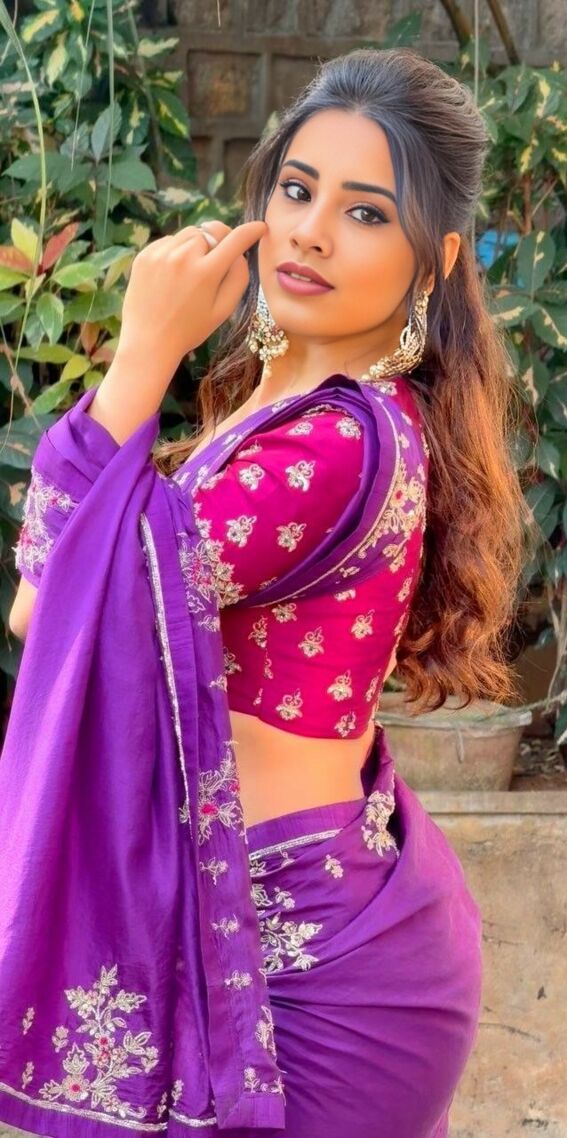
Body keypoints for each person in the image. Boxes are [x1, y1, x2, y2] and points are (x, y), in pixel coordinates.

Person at [0, 47, 528, 1138]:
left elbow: (47, 607)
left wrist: (143, 350)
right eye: (296, 189)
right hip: (300, 915)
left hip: (307, 972)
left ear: (436, 261)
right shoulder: (282, 407)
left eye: (365, 212)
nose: (310, 232)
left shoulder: (331, 445)